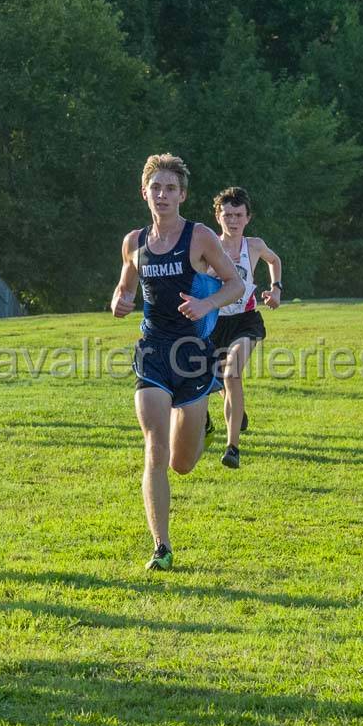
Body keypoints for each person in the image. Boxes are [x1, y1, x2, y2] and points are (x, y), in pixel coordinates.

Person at [110, 153, 242, 570]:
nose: (162, 195)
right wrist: (120, 301)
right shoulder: (134, 242)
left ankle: (199, 422)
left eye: (170, 188)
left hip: (192, 356)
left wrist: (206, 304)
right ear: (144, 193)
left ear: (182, 195)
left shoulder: (200, 237)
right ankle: (161, 547)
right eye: (156, 188)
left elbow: (234, 284)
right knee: (154, 446)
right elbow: (124, 287)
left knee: (181, 464)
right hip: (152, 350)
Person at [205, 187, 281, 469]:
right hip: (213, 323)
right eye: (227, 215)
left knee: (232, 371)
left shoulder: (255, 246)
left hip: (245, 321)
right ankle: (236, 411)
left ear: (247, 218)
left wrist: (276, 289)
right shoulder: (207, 246)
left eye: (238, 215)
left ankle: (232, 446)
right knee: (214, 381)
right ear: (218, 216)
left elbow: (275, 261)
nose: (232, 221)